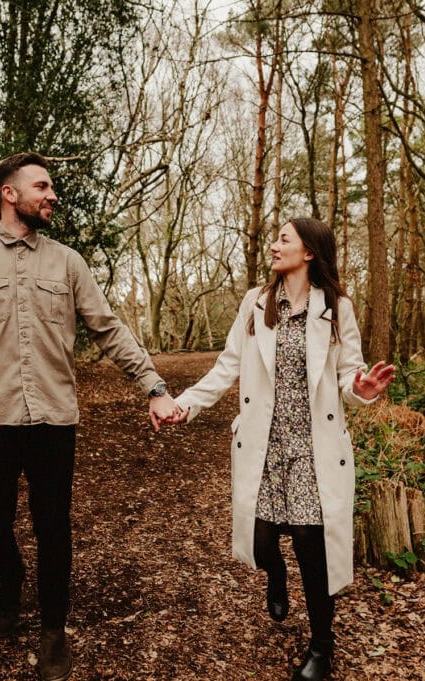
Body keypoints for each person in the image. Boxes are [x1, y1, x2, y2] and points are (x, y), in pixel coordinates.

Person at [0, 152, 179, 681]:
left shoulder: (68, 263)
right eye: (41, 186)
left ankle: (53, 630)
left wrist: (154, 385)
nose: (52, 195)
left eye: (52, 188)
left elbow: (108, 328)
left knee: (54, 527)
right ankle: (9, 575)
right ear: (9, 193)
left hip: (53, 420)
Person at [167, 217, 394, 681]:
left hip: (314, 450)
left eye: (284, 239)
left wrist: (363, 388)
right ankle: (275, 575)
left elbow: (350, 373)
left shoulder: (335, 305)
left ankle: (321, 647)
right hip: (264, 446)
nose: (274, 245)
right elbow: (227, 366)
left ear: (309, 251)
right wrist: (185, 404)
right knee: (261, 540)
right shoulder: (256, 302)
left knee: (314, 548)